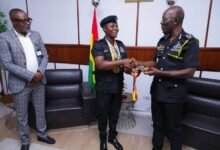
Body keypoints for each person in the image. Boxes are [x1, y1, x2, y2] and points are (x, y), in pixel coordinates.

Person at [136, 6, 199, 150]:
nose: (161, 23)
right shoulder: (162, 41)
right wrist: (137, 62)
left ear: (175, 20)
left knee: (174, 129)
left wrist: (159, 73)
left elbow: (190, 71)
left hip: (174, 94)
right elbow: (155, 62)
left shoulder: (190, 42)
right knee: (157, 125)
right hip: (157, 91)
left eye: (164, 20)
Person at [0, 8, 55, 150]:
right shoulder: (4, 38)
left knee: (40, 110)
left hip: (39, 81)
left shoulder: (36, 35)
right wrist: (30, 76)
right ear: (13, 22)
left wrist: (39, 72)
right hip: (20, 84)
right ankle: (25, 140)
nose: (27, 23)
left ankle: (42, 134)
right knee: (22, 115)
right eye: (22, 21)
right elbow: (7, 63)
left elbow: (45, 55)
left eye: (28, 20)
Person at [92, 15, 133, 150]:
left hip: (117, 86)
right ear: (104, 29)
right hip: (104, 87)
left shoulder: (121, 45)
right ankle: (103, 138)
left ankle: (112, 137)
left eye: (116, 26)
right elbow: (101, 65)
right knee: (103, 114)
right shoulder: (98, 45)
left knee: (115, 114)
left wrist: (130, 70)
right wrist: (122, 62)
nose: (116, 28)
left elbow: (125, 68)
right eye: (112, 26)